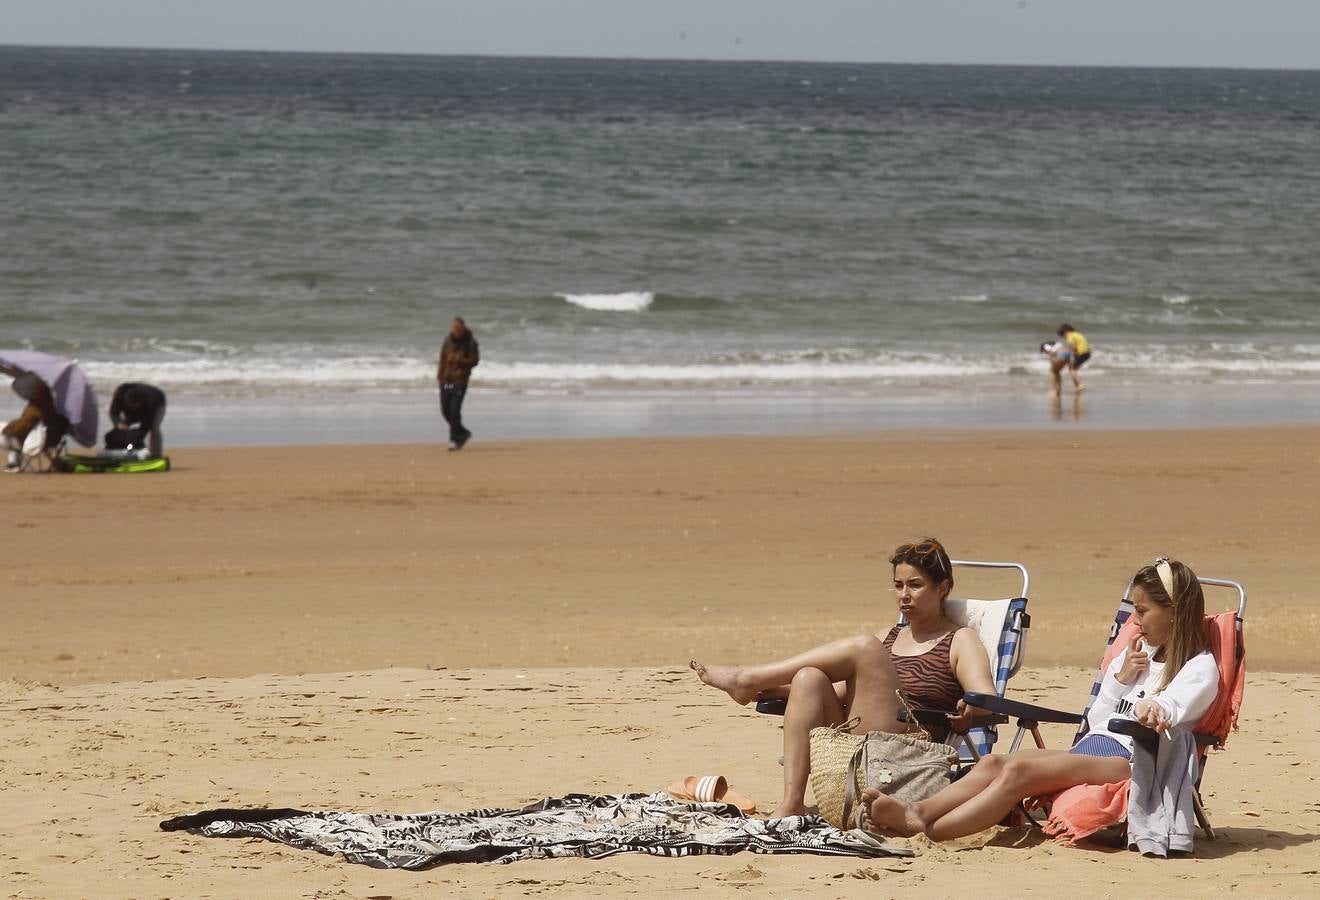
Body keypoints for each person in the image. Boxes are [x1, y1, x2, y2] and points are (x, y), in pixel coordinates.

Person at [864, 556, 1218, 843]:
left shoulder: (1199, 669)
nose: (1136, 621)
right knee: (993, 763)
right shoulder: (1138, 655)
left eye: (1143, 612)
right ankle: (919, 813)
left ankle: (927, 830)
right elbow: (1095, 721)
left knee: (1018, 771)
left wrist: (1151, 707)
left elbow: (1172, 707)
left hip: (1133, 761)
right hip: (1094, 749)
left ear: (1174, 611)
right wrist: (1120, 678)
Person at [690, 538, 997, 820]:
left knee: (864, 647)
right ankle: (792, 803)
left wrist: (971, 709)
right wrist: (778, 690)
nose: (904, 595)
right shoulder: (888, 638)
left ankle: (748, 678)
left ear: (943, 588)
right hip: (860, 744)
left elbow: (988, 699)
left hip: (909, 751)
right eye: (898, 585)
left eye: (915, 585)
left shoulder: (959, 640)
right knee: (809, 678)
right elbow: (839, 693)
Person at [4, 372, 68, 472]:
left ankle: (15, 462)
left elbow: (22, 427)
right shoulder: (54, 407)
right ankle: (15, 460)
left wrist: (7, 429)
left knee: (6, 434)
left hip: (38, 441)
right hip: (53, 439)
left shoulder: (36, 408)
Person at [437, 317, 479, 451]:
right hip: (446, 381)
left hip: (459, 381)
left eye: (457, 329)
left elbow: (474, 361)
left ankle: (454, 440)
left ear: (462, 328)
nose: (455, 331)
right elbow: (442, 358)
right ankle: (462, 433)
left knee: (455, 410)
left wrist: (460, 360)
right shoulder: (448, 340)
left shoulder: (470, 342)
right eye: (453, 328)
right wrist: (440, 377)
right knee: (446, 410)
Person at [109, 382, 168, 458]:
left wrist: (136, 439)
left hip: (158, 403)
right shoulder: (119, 395)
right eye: (131, 404)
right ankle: (118, 450)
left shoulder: (151, 402)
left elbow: (145, 426)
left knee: (154, 428)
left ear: (141, 401)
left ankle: (156, 454)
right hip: (130, 413)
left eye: (135, 405)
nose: (133, 407)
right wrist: (118, 423)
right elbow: (113, 413)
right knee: (120, 428)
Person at [1057, 324, 1091, 393]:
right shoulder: (1077, 334)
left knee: (1072, 369)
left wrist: (1070, 356)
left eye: (1063, 335)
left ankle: (1080, 384)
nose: (1064, 337)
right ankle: (1077, 387)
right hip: (1087, 353)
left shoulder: (1070, 336)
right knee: (1073, 369)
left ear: (1065, 331)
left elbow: (1073, 347)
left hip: (1081, 353)